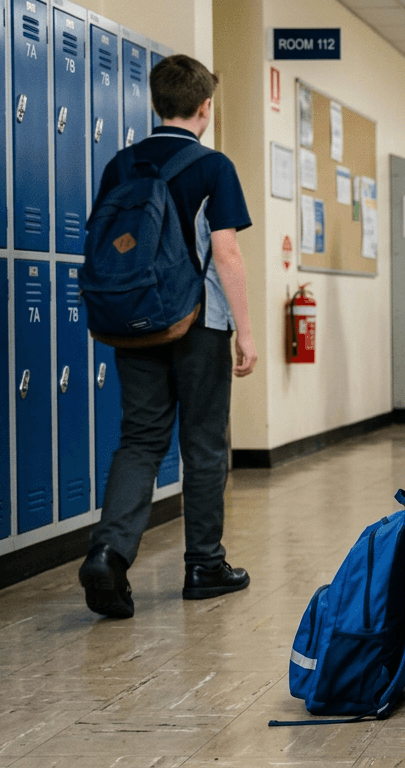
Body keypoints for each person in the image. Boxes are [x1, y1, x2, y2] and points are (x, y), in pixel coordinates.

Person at [78, 54, 256, 619]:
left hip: (135, 322)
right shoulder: (212, 166)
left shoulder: (121, 164)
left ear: (155, 102)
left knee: (140, 439)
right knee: (203, 443)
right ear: (206, 107)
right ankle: (204, 564)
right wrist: (246, 333)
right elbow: (226, 253)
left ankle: (109, 551)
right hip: (198, 322)